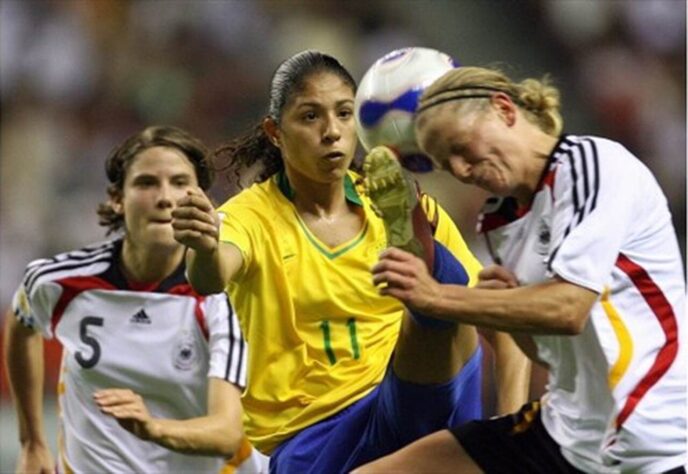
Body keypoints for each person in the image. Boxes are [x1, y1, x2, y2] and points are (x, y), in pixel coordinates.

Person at [171, 50, 530, 473]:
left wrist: (513, 434)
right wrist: (205, 247)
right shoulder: (249, 217)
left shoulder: (403, 202)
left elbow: (504, 327)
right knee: (433, 296)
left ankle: (421, 265)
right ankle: (423, 268)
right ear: (274, 132)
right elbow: (210, 277)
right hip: (320, 440)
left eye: (344, 114)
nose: (332, 132)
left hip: (422, 398)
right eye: (310, 117)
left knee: (441, 306)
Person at [356, 66, 687, 474]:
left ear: (504, 110)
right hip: (563, 430)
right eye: (447, 164)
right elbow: (548, 354)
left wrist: (436, 296)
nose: (461, 171)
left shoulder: (591, 166)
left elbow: (568, 310)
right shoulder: (501, 219)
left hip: (642, 444)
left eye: (461, 148)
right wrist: (508, 313)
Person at [3, 126, 268, 473]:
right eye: (146, 183)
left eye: (179, 183)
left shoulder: (223, 301)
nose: (164, 198)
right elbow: (22, 324)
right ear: (117, 198)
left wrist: (151, 427)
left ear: (202, 201)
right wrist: (32, 442)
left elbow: (227, 432)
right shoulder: (59, 282)